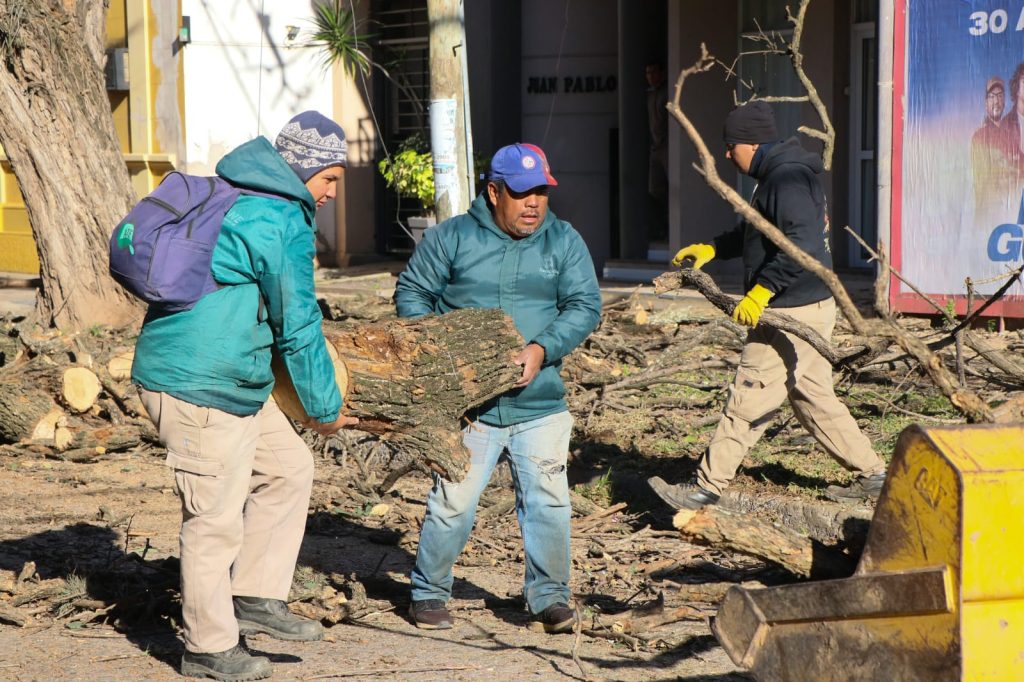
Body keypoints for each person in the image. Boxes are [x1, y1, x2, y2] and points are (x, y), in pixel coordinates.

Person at [132, 111, 358, 681]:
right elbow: (298, 323)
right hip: (199, 382)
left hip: (233, 378)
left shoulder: (247, 195)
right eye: (330, 178)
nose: (332, 191)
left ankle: (254, 594)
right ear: (302, 167)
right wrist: (324, 409)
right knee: (214, 519)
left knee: (287, 469)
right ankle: (208, 648)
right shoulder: (278, 217)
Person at [394, 143, 602, 634]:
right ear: (493, 192)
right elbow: (412, 293)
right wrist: (442, 356)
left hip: (541, 403)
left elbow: (584, 305)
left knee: (549, 503)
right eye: (522, 192)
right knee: (454, 501)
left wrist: (541, 349)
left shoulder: (564, 241)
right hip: (472, 409)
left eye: (541, 193)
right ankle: (428, 592)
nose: (534, 203)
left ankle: (549, 598)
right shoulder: (453, 238)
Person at [648, 101, 888, 512]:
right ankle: (876, 476)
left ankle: (706, 490)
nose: (726, 155)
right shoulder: (779, 174)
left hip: (787, 310)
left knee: (748, 395)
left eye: (730, 146)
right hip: (807, 304)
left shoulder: (787, 180)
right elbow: (756, 228)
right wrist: (714, 248)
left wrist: (761, 292)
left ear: (750, 143)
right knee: (813, 395)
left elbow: (803, 246)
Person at [971, 76, 1012, 222]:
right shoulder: (979, 137)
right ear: (986, 102)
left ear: (1004, 101)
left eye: (1000, 96)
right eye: (992, 96)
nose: (996, 101)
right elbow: (982, 182)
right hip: (989, 215)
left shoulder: (1012, 134)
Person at [646, 60, 670, 242]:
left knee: (670, 188)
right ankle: (662, 229)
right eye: (648, 73)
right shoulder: (650, 94)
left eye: (654, 72)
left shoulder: (666, 93)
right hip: (655, 147)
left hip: (667, 145)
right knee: (655, 190)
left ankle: (670, 229)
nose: (651, 77)